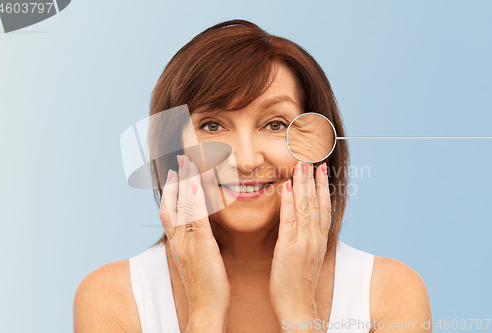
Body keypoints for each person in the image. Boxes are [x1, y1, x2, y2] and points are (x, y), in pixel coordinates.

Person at [73, 19, 432, 333]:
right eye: (212, 125)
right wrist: (206, 312)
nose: (245, 160)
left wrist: (298, 309)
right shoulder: (113, 298)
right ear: (172, 146)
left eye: (275, 124)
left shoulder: (388, 294)